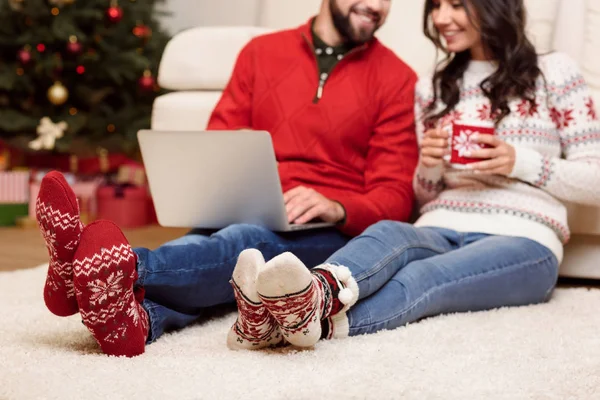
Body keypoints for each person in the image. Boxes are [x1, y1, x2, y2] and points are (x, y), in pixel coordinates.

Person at [35, 0, 419, 357]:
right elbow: (219, 141)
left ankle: (118, 268)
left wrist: (337, 207)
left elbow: (396, 196)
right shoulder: (261, 53)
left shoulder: (397, 78)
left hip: (327, 228)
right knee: (215, 246)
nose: (377, 6)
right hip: (247, 202)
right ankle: (137, 321)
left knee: (240, 243)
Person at [227, 0, 600, 350]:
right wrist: (430, 166)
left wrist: (519, 162)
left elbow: (594, 179)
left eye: (456, 4)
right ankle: (314, 295)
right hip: (441, 222)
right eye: (436, 5)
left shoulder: (554, 72)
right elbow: (422, 196)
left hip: (525, 235)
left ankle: (298, 324)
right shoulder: (433, 86)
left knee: (425, 277)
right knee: (387, 232)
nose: (440, 18)